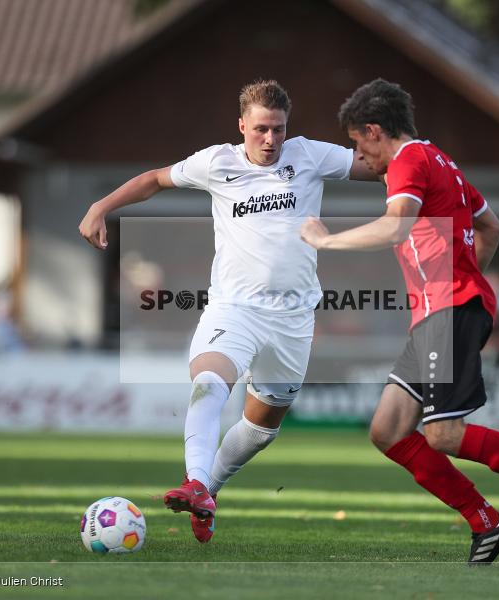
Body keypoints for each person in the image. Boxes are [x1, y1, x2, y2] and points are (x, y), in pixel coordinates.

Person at [300, 78, 499, 564]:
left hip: (448, 309)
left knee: (443, 434)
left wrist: (326, 240)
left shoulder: (408, 162)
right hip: (442, 310)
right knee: (388, 430)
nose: (363, 158)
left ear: (374, 131)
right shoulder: (439, 158)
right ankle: (487, 521)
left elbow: (397, 224)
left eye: (359, 145)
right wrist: (461, 280)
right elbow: (493, 226)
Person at [78, 80, 378, 543]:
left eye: (278, 129)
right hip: (234, 308)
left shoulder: (311, 155)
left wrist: (427, 178)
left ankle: (207, 494)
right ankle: (195, 479)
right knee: (210, 382)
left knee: (261, 429)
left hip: (294, 318)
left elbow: (377, 168)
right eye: (261, 129)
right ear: (242, 126)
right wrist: (102, 206)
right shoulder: (216, 162)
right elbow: (154, 179)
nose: (271, 140)